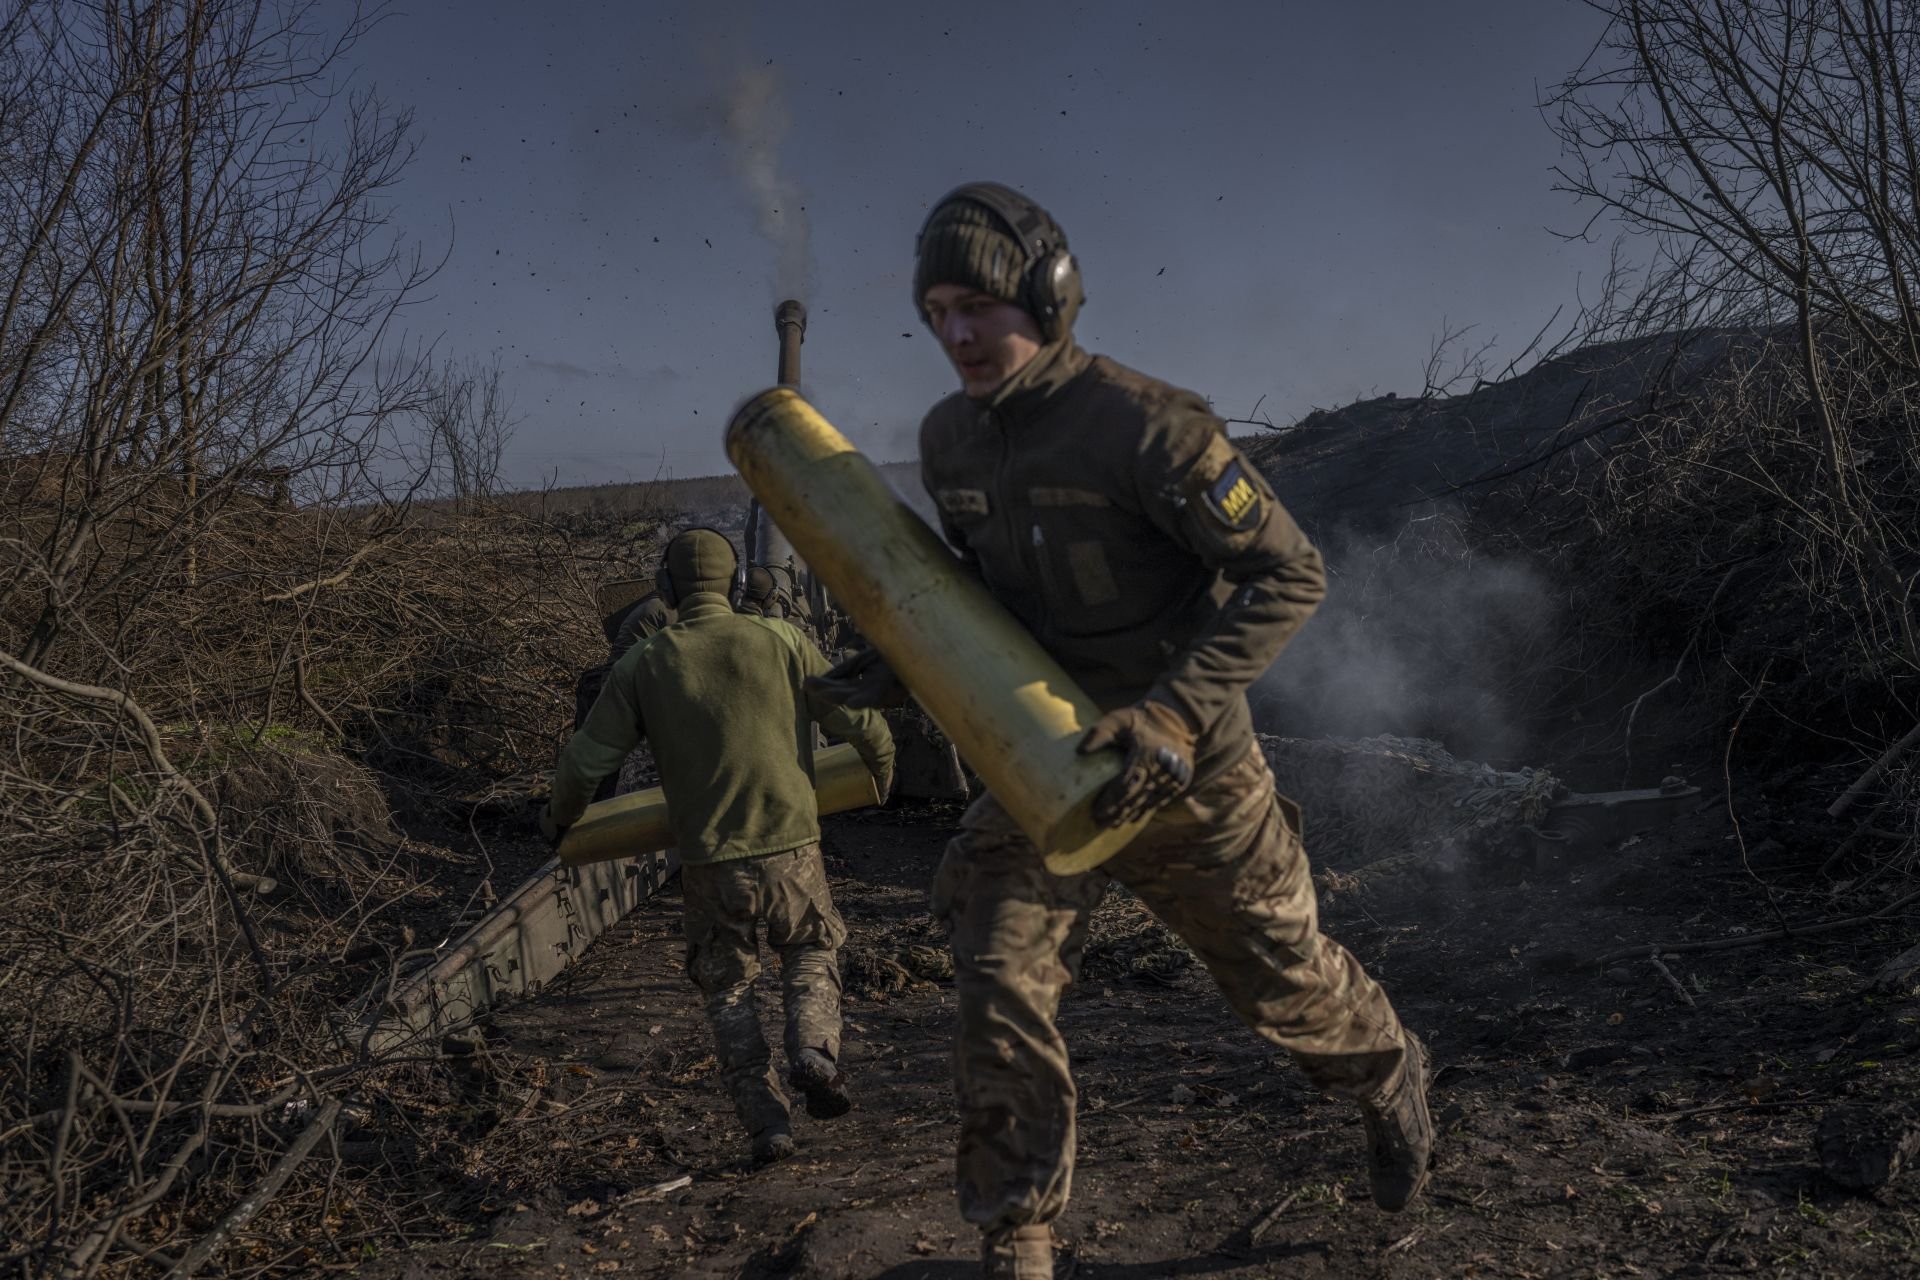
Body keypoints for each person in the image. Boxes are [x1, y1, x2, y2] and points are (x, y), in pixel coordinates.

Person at [812, 183, 1431, 1278]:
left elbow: (1291, 572)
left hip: (1185, 770)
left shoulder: (1148, 424)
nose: (956, 332)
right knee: (999, 974)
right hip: (1040, 766)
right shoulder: (951, 441)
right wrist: (899, 655)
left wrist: (1175, 710)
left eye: (980, 306)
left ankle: (1387, 1076)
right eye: (938, 308)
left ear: (1050, 297)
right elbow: (981, 596)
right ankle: (1021, 1230)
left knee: (1284, 986)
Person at [543, 528, 895, 1165]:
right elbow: (858, 717)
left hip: (708, 860)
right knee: (811, 952)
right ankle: (813, 1050)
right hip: (792, 848)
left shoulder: (644, 662)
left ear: (667, 589)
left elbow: (585, 762)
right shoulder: (783, 639)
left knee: (728, 988)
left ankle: (766, 1123)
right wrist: (881, 767)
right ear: (736, 585)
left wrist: (560, 822)